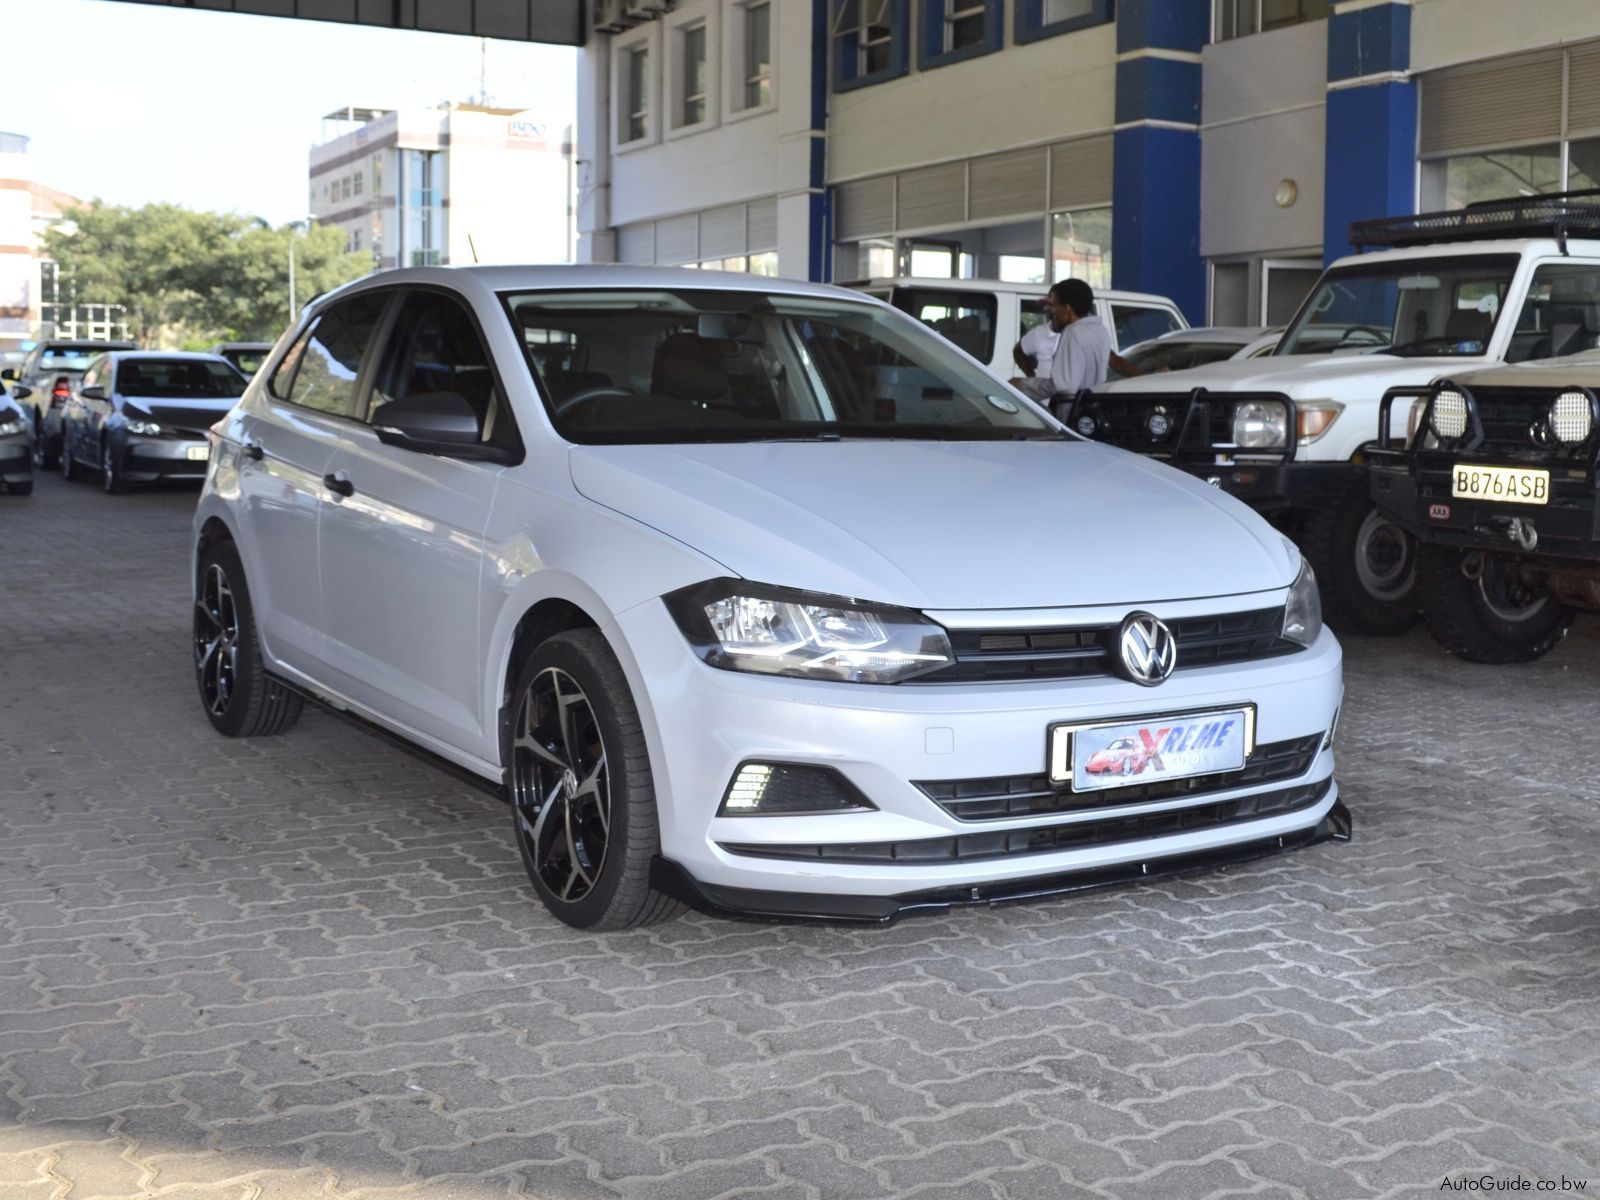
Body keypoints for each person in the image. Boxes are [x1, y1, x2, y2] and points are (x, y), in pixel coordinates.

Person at [1011, 278, 1114, 404]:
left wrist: (1022, 384)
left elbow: (1063, 385)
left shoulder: (1072, 332)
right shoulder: (1100, 331)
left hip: (1069, 413)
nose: (1052, 311)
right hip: (1091, 407)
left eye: (1054, 305)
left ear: (1067, 308)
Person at [1011, 298, 1060, 380]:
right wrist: (1032, 378)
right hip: (1044, 390)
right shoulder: (1040, 332)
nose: (1048, 308)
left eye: (1053, 304)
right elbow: (1018, 351)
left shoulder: (1079, 332)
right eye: (1049, 305)